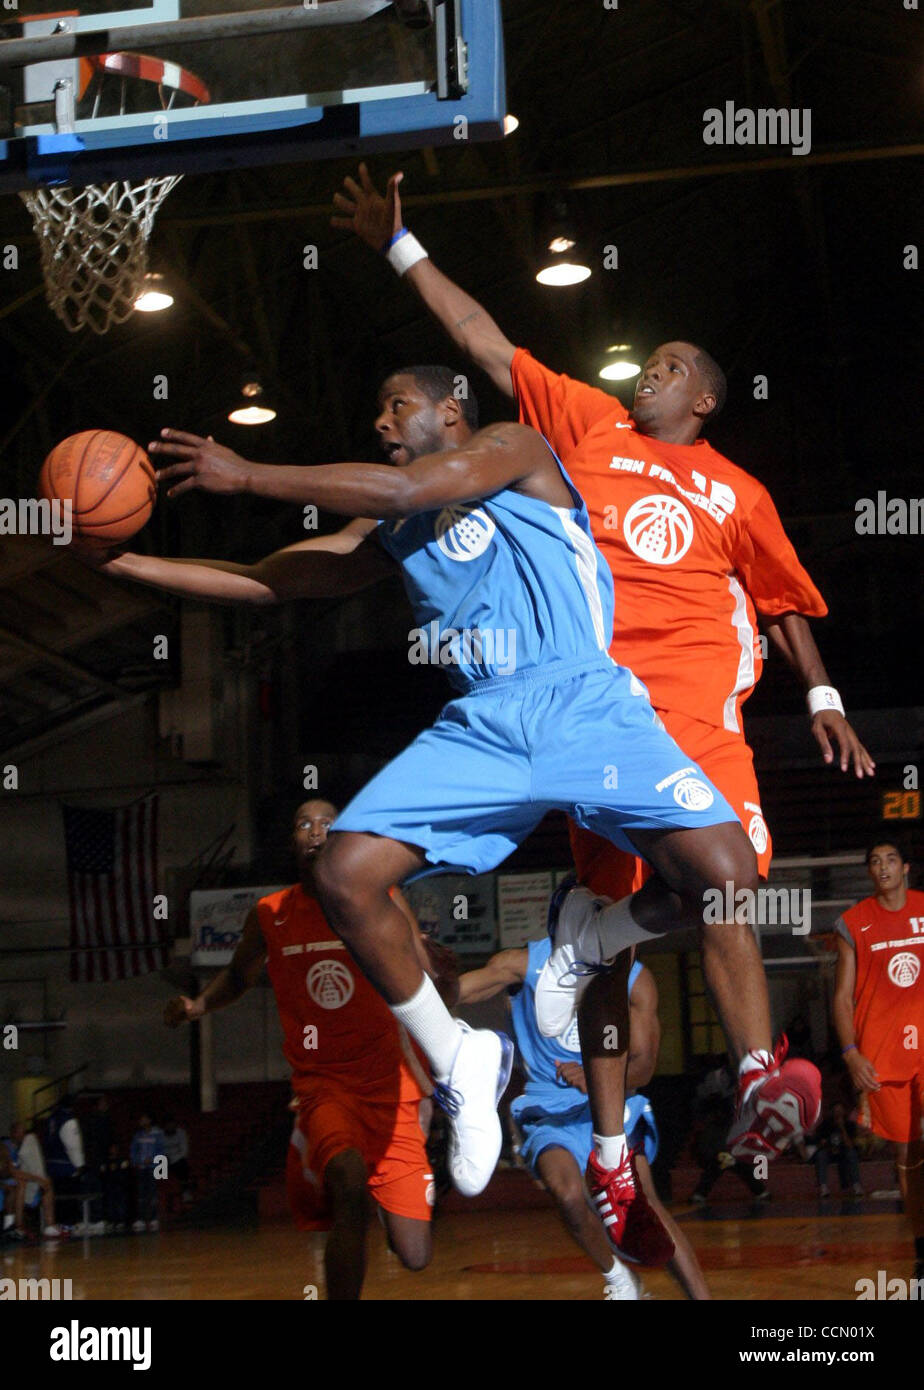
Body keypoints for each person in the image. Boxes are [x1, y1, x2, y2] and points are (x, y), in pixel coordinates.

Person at [82, 364, 807, 1265]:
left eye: (397, 404)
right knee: (344, 873)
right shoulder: (393, 524)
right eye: (377, 406)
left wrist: (248, 474)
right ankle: (460, 1059)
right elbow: (272, 582)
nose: (382, 419)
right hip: (485, 724)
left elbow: (404, 484)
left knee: (730, 878)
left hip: (584, 704)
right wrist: (125, 561)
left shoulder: (513, 449)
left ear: (450, 410)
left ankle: (751, 1075)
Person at [330, 163, 869, 1228]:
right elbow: (485, 342)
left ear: (703, 399)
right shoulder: (584, 426)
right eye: (647, 363)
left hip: (698, 717)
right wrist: (402, 247)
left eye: (667, 367)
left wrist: (821, 697)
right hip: (591, 710)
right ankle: (617, 1141)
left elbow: (781, 598)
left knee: (722, 892)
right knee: (609, 948)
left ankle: (759, 1070)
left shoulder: (739, 490)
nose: (647, 375)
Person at [164, 800, 443, 1300]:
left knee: (415, 1255)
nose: (316, 831)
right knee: (349, 1188)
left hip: (392, 1086)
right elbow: (237, 975)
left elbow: (422, 967)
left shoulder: (380, 897)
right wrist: (198, 1006)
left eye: (328, 824)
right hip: (324, 1085)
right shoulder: (270, 915)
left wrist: (441, 969)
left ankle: (396, 1184)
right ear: (293, 840)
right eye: (304, 824)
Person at [458, 942, 710, 1299]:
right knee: (567, 1194)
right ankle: (621, 1280)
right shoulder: (524, 963)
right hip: (547, 1106)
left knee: (645, 1202)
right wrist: (410, 978)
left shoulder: (635, 981)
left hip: (606, 1100)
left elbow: (643, 1068)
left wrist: (597, 1077)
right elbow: (455, 991)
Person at [834, 839, 924, 1278]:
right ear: (869, 872)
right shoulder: (854, 923)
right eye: (874, 861)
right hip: (882, 1059)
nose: (883, 867)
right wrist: (850, 1053)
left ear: (906, 867)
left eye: (891, 859)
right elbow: (841, 997)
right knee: (907, 1159)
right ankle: (922, 1248)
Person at [1, 1121, 62, 1239]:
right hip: (7, 1180)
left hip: (20, 1179)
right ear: (13, 1133)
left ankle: (50, 1225)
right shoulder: (4, 1147)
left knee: (47, 1182)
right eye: (20, 1133)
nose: (23, 1136)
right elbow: (11, 1171)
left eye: (24, 1132)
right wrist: (37, 1179)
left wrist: (39, 1179)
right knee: (21, 1184)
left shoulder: (25, 1147)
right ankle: (17, 1226)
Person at [812, 1101, 863, 1200]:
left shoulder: (849, 1125)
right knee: (821, 1155)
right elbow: (820, 1143)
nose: (838, 1113)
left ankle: (856, 1185)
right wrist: (828, 1146)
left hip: (844, 1152)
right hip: (830, 1152)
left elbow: (850, 1145)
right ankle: (823, 1187)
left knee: (852, 1154)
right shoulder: (825, 1125)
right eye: (836, 1111)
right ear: (832, 1112)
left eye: (840, 1111)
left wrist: (842, 1127)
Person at [130, 1114, 166, 1232]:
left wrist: (153, 1159)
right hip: (141, 1168)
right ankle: (141, 1218)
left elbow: (162, 1151)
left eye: (144, 1118)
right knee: (141, 1194)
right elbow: (133, 1151)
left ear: (150, 1120)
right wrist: (137, 1161)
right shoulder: (138, 1135)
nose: (141, 1121)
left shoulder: (158, 1134)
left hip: (153, 1167)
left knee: (152, 1194)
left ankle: (153, 1218)